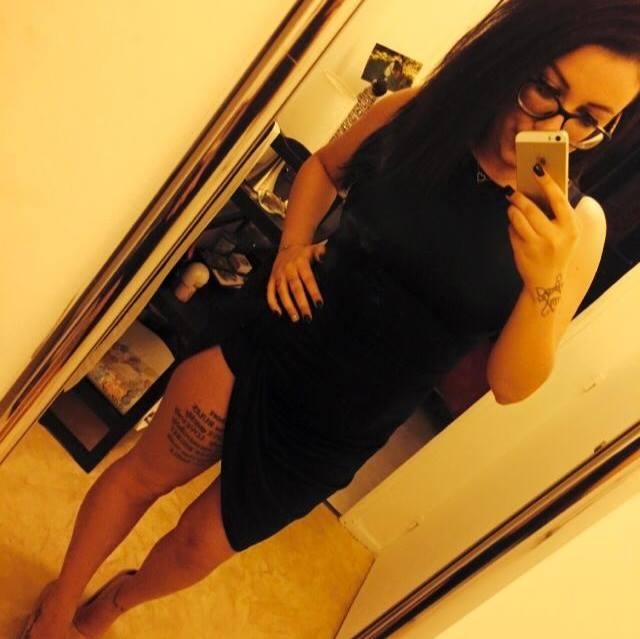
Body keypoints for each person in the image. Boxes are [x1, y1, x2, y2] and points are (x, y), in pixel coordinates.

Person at [20, 1, 640, 637]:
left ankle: (111, 605)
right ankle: (60, 604)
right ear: (512, 55)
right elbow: (321, 166)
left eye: (590, 119)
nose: (555, 126)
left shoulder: (575, 227)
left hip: (343, 423)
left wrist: (543, 282)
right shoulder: (420, 115)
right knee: (143, 476)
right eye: (546, 88)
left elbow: (511, 385)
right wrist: (292, 244)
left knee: (196, 548)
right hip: (275, 337)